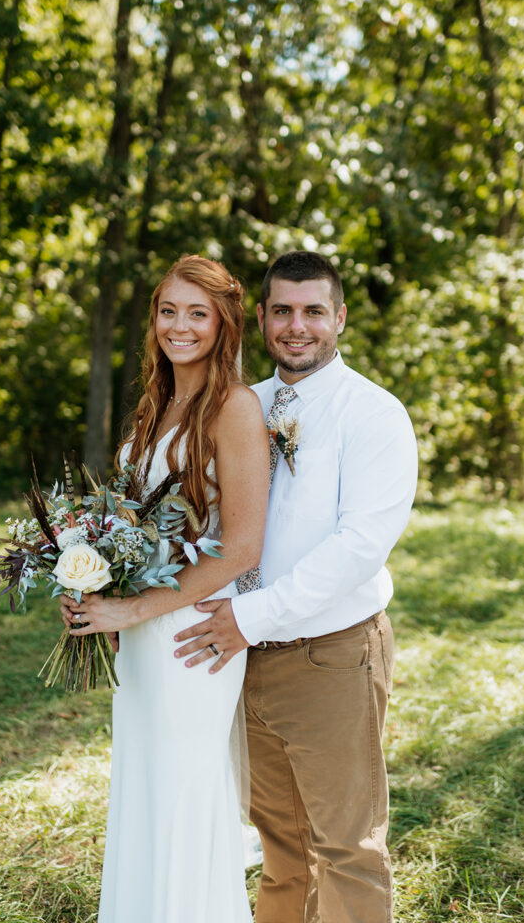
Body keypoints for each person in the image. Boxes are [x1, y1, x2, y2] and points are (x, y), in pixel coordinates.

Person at [173, 250, 418, 923]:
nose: (296, 326)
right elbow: (214, 520)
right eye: (281, 310)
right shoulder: (239, 406)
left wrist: (248, 616)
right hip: (243, 661)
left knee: (346, 848)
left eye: (313, 311)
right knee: (281, 852)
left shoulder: (372, 414)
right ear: (260, 318)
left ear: (338, 317)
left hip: (329, 656)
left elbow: (358, 548)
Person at [60, 255, 269, 923]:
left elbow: (240, 547)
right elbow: (132, 523)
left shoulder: (234, 408)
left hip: (191, 636)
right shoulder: (157, 405)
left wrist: (135, 604)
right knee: (144, 787)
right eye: (168, 311)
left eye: (196, 313)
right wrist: (88, 578)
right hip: (141, 635)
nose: (179, 326)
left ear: (223, 324)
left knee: (182, 792)